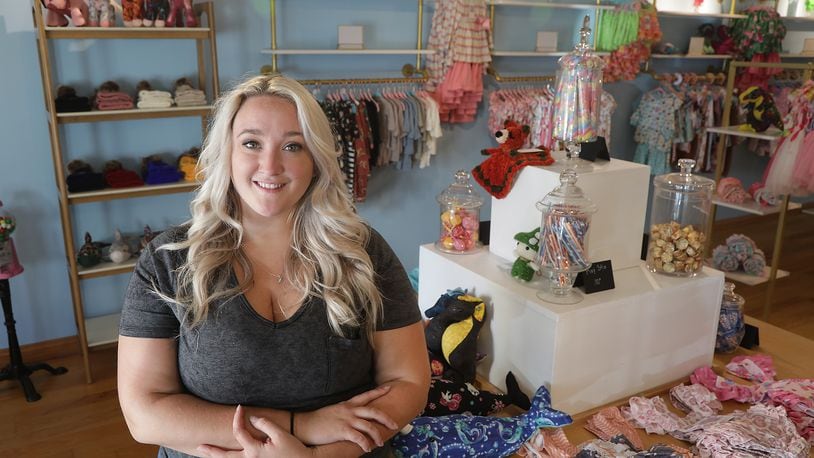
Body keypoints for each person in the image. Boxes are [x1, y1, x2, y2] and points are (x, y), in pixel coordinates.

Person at [117, 74, 430, 458]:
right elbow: (144, 414)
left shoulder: (363, 252)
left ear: (315, 160)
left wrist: (316, 457)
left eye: (293, 146)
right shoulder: (167, 260)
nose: (271, 166)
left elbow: (408, 382)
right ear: (226, 154)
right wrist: (302, 427)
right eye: (251, 143)